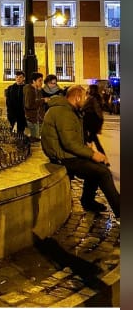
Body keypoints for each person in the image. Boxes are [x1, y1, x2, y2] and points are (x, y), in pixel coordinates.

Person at [41, 84, 119, 217]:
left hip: (67, 154)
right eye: (84, 97)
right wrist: (92, 154)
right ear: (77, 98)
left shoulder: (68, 110)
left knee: (99, 167)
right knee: (102, 172)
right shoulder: (63, 112)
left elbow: (73, 137)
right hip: (63, 157)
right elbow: (69, 143)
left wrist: (87, 147)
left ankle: (88, 201)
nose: (85, 100)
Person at [82, 83, 107, 157]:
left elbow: (83, 107)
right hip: (96, 120)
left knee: (87, 137)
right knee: (93, 139)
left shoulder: (91, 98)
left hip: (89, 120)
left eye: (89, 88)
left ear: (91, 90)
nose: (88, 90)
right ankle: (101, 155)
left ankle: (90, 154)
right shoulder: (99, 98)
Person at [23, 71, 45, 141]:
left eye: (42, 81)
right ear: (34, 81)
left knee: (36, 138)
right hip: (31, 119)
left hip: (35, 118)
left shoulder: (35, 89)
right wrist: (43, 100)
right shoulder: (30, 90)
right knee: (35, 139)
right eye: (40, 81)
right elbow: (29, 105)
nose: (41, 83)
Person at [4, 70, 26, 135]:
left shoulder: (26, 88)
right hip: (12, 113)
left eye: (20, 77)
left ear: (24, 78)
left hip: (22, 113)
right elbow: (8, 101)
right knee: (11, 131)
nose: (18, 79)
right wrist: (9, 111)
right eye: (17, 77)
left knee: (21, 131)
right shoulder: (10, 88)